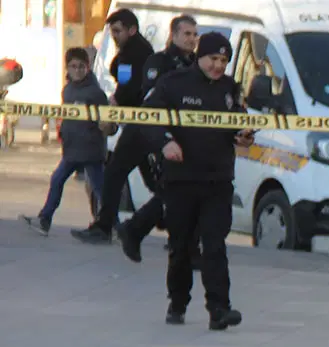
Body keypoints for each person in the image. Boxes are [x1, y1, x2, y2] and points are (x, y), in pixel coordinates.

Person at [143, 33, 256, 331]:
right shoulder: (174, 83)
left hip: (217, 180)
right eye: (213, 59)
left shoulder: (230, 89)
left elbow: (237, 123)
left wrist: (243, 135)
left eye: (223, 61)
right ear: (200, 57)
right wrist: (165, 142)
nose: (218, 66)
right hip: (181, 180)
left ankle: (219, 308)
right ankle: (178, 301)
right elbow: (149, 117)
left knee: (214, 244)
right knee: (181, 246)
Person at [118, 14, 200, 262]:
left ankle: (139, 230)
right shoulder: (160, 61)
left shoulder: (198, 63)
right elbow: (152, 99)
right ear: (173, 34)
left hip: (193, 137)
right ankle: (139, 230)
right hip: (167, 136)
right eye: (187, 34)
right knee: (177, 191)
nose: (192, 39)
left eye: (195, 35)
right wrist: (161, 139)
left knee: (183, 192)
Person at [71, 9, 155, 245]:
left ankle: (104, 226)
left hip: (139, 125)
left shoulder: (131, 53)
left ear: (132, 30)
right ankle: (180, 227)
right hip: (144, 124)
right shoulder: (140, 50)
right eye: (112, 31)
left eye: (118, 31)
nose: (114, 36)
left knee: (116, 173)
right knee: (154, 181)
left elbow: (127, 88)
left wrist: (115, 101)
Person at [19, 48, 108, 236]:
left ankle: (114, 226)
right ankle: (44, 219)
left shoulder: (95, 93)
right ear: (67, 68)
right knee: (58, 180)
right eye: (73, 66)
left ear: (88, 67)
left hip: (90, 148)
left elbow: (106, 120)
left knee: (99, 188)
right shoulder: (67, 90)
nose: (77, 70)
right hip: (73, 148)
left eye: (81, 66)